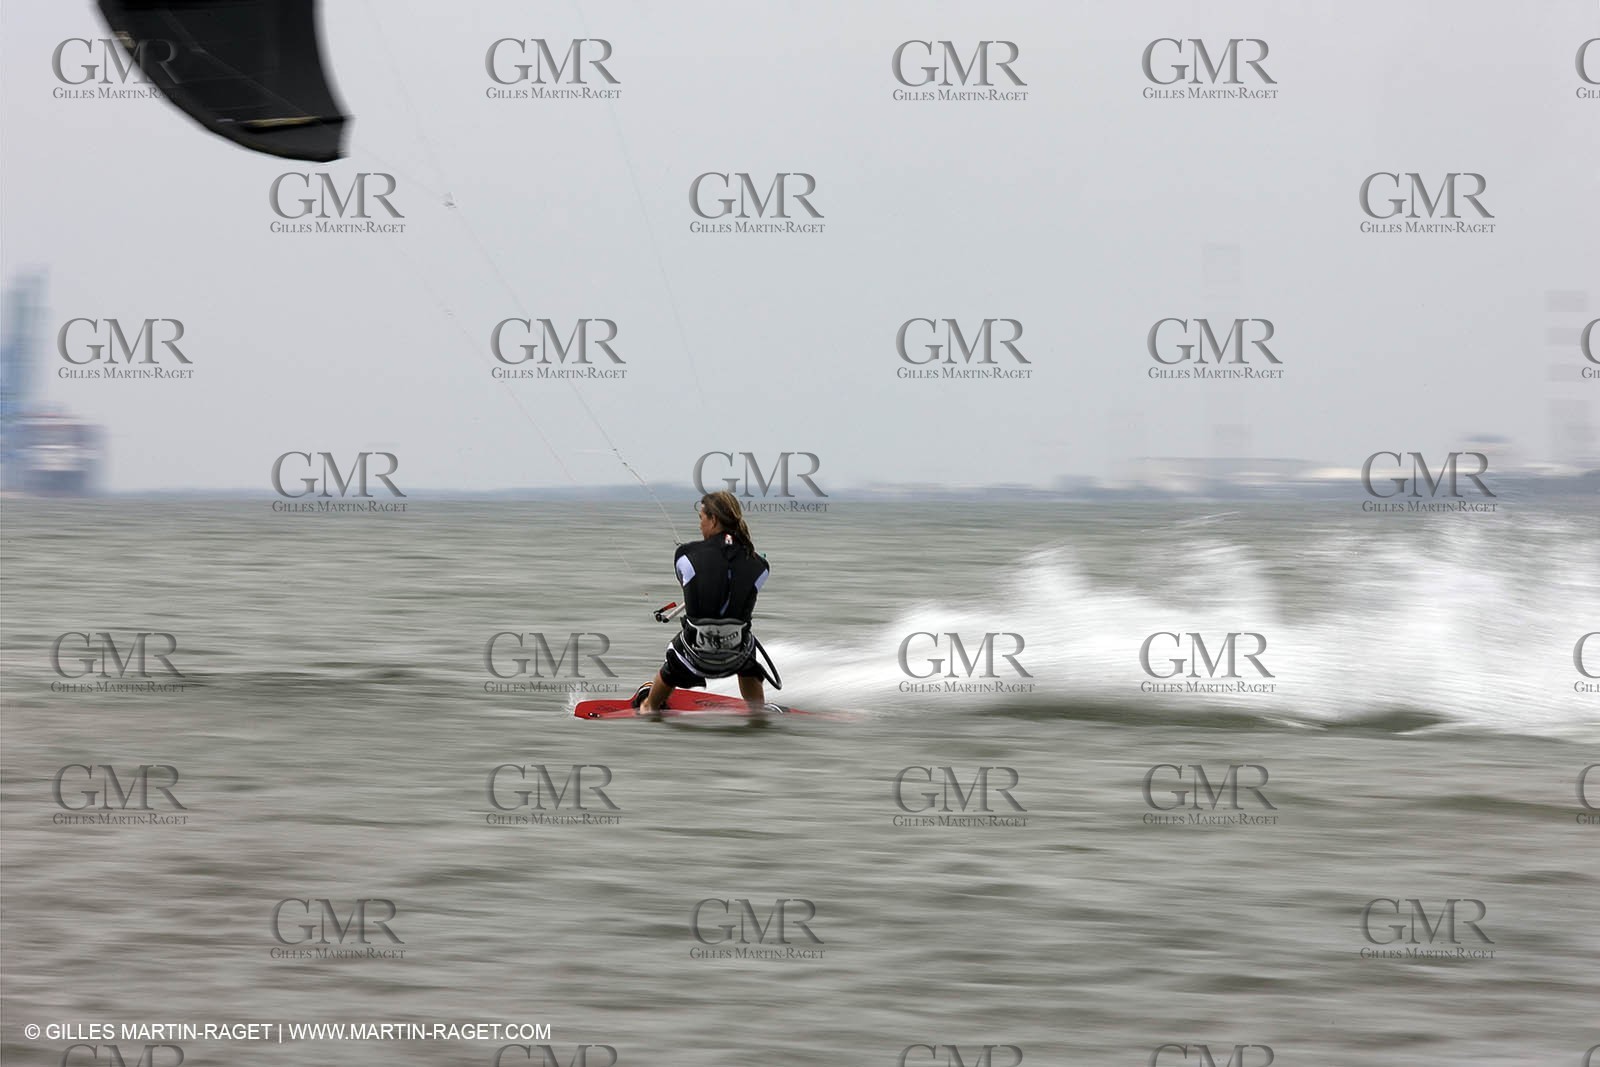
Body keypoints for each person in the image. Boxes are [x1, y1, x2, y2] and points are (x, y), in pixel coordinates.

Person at [633, 491, 779, 722]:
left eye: (701, 518)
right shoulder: (761, 564)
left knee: (674, 657)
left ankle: (649, 706)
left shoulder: (684, 554)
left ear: (713, 519)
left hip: (694, 656)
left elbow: (687, 581)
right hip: (737, 656)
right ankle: (757, 711)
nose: (700, 525)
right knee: (748, 649)